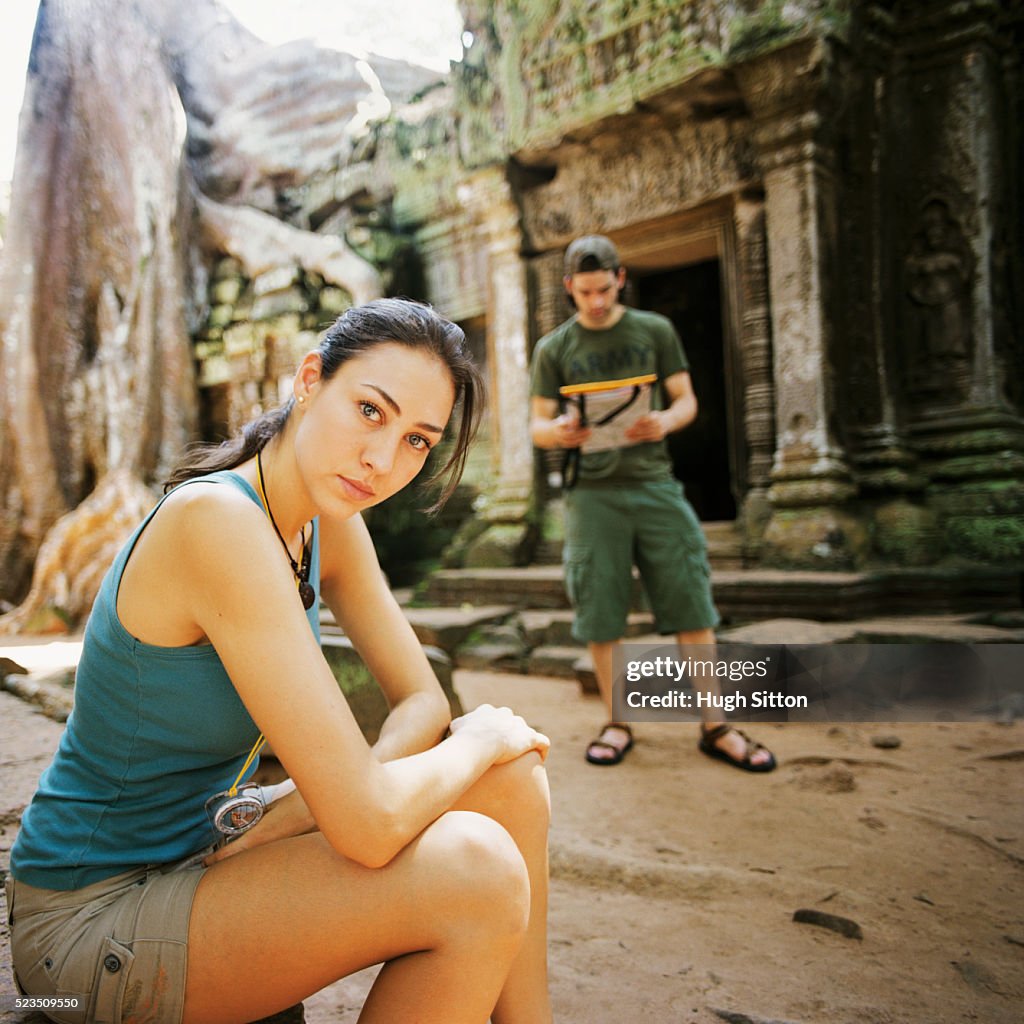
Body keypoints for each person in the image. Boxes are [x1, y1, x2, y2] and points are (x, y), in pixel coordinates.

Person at [7, 298, 553, 1024]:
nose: (382, 460)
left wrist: (296, 813)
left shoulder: (327, 521)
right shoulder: (219, 522)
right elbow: (366, 823)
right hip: (86, 923)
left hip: (206, 846)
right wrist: (475, 739)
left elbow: (422, 700)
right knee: (476, 870)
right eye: (369, 410)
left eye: (418, 441)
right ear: (308, 380)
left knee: (513, 780)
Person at [529, 235, 775, 773]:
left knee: (691, 595)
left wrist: (663, 419)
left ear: (621, 279)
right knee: (599, 607)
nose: (595, 301)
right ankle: (617, 721)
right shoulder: (555, 348)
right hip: (592, 492)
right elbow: (537, 424)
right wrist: (561, 431)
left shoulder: (654, 331)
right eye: (584, 292)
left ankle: (717, 726)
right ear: (570, 288)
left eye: (604, 289)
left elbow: (686, 400)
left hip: (654, 482)